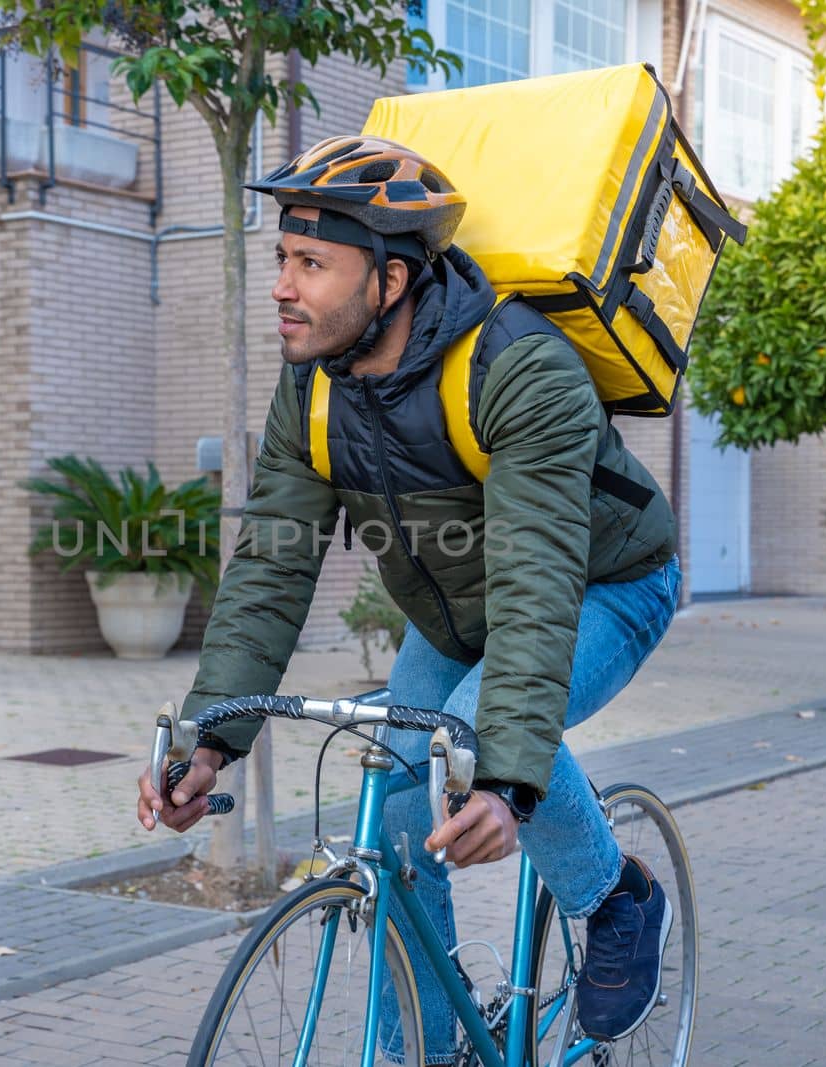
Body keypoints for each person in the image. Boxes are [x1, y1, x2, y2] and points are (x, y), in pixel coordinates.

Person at [135, 135, 682, 1056]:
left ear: (390, 282)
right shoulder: (312, 389)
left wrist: (505, 780)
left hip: (605, 584)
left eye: (312, 263)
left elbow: (538, 584)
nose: (282, 284)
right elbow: (271, 565)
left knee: (477, 732)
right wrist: (211, 738)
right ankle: (435, 1032)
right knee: (394, 789)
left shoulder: (518, 367)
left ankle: (616, 895)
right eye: (281, 258)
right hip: (457, 614)